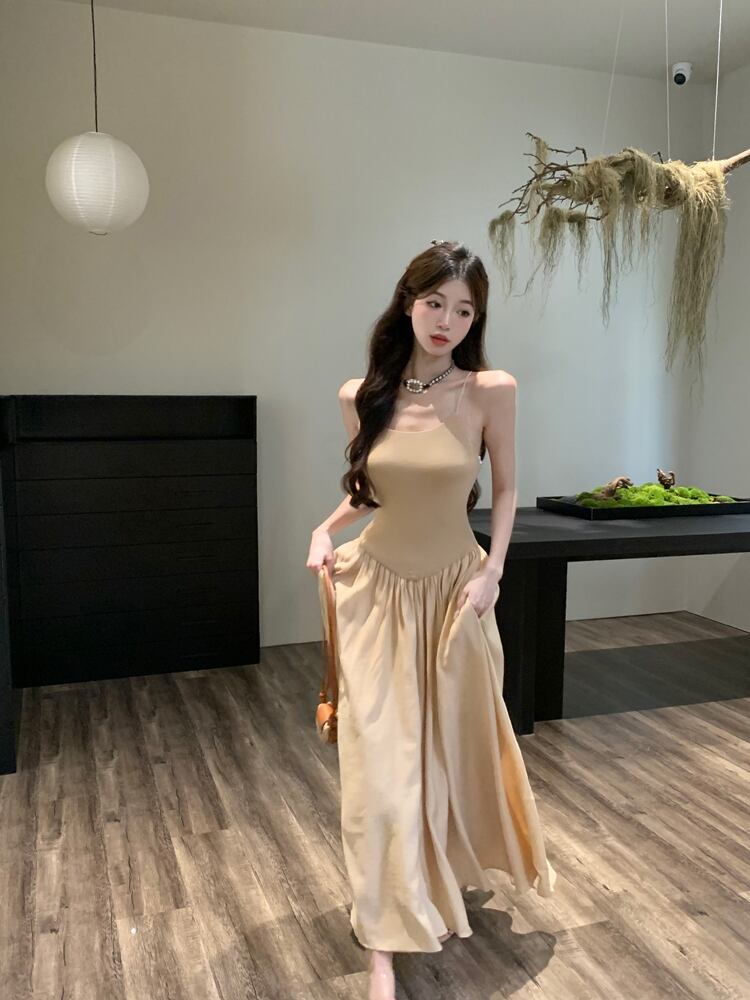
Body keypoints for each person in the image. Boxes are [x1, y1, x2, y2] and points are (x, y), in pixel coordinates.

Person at [306, 240, 556, 1000]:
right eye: (435, 303)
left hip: (456, 594)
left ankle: (430, 887)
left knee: (450, 756)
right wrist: (325, 529)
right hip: (377, 595)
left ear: (476, 319)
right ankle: (383, 942)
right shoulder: (362, 395)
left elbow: (505, 489)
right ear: (408, 303)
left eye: (464, 310)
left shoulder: (490, 390)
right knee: (380, 773)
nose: (447, 320)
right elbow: (373, 491)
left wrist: (494, 571)